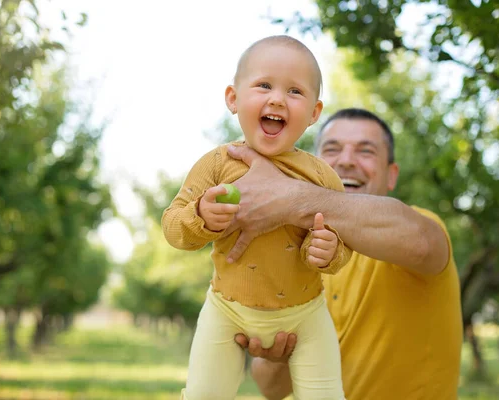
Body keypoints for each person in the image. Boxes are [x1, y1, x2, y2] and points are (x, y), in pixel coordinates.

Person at [162, 35, 350, 400]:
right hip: (227, 309)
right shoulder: (218, 164)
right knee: (202, 396)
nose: (277, 98)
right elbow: (173, 227)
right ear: (233, 98)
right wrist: (201, 215)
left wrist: (327, 250)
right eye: (264, 85)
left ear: (314, 112)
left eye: (295, 91)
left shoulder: (322, 178)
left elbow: (342, 248)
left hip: (306, 316)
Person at [228, 108, 463, 400]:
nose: (347, 161)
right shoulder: (297, 257)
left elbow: (423, 243)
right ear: (310, 166)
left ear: (391, 175)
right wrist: (281, 354)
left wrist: (290, 197)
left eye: (365, 151)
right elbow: (270, 388)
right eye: (332, 149)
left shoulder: (417, 227)